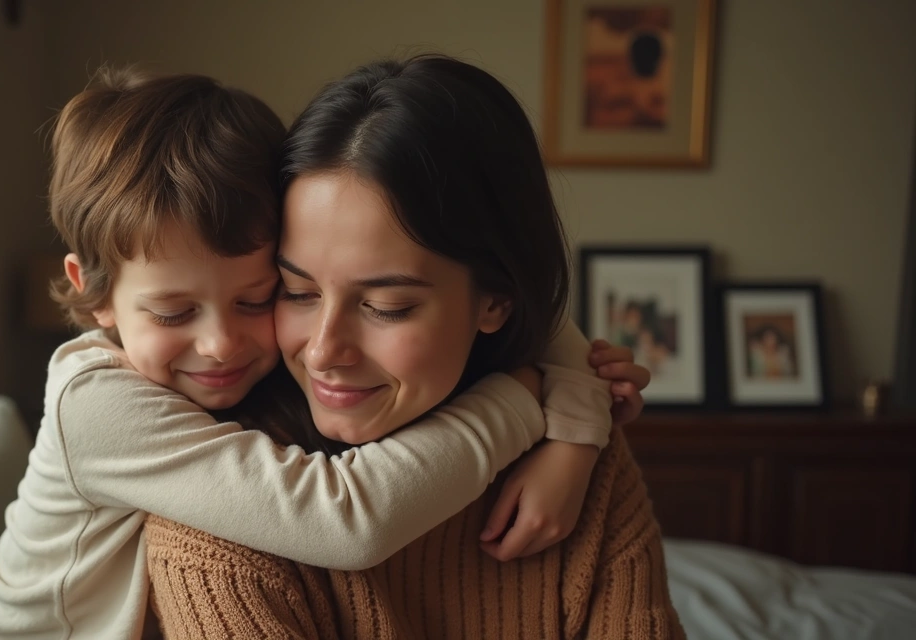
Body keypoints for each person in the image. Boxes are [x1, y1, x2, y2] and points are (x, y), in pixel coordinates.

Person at [0, 69, 647, 639]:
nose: (221, 344)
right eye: (174, 311)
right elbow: (344, 519)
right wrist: (527, 399)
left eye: (260, 298)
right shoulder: (99, 406)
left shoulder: (240, 377)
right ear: (91, 295)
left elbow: (519, 301)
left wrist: (580, 420)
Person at [146, 55, 683, 639]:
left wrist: (574, 415)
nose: (324, 351)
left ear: (494, 301)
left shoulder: (580, 458)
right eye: (296, 291)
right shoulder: (219, 493)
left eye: (387, 307)